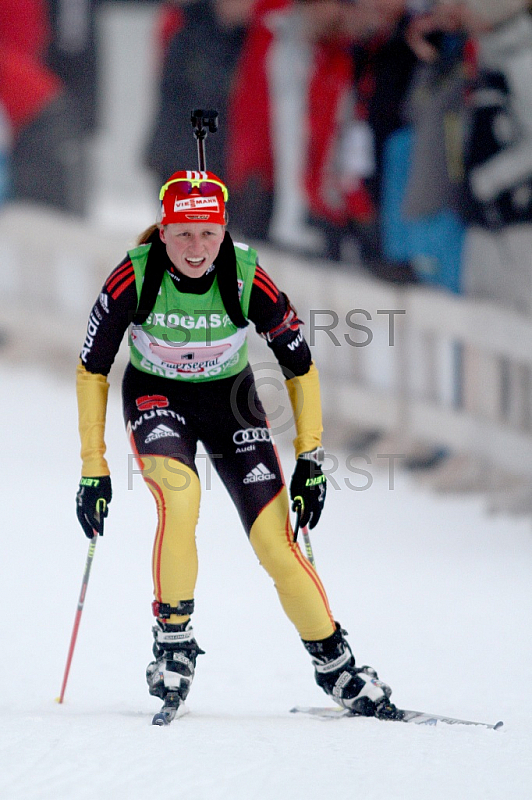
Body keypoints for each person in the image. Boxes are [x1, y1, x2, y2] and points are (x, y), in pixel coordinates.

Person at [75, 167, 400, 719]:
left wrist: (311, 459)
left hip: (230, 403)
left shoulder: (247, 275)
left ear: (224, 230)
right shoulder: (133, 278)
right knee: (180, 499)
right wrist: (93, 468)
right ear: (162, 230)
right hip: (159, 397)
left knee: (276, 544)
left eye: (208, 233)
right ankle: (173, 642)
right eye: (182, 234)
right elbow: (92, 370)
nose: (196, 248)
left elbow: (300, 367)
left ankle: (337, 665)